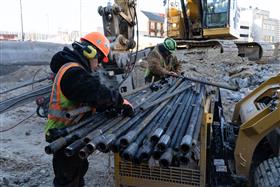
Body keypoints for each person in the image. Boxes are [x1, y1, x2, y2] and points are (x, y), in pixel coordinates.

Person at [45, 32, 133, 187]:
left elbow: (85, 99)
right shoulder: (72, 72)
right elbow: (95, 92)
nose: (98, 64)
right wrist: (119, 101)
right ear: (90, 52)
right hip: (63, 134)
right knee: (68, 179)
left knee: (78, 171)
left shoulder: (74, 69)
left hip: (73, 133)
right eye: (98, 59)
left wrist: (104, 108)